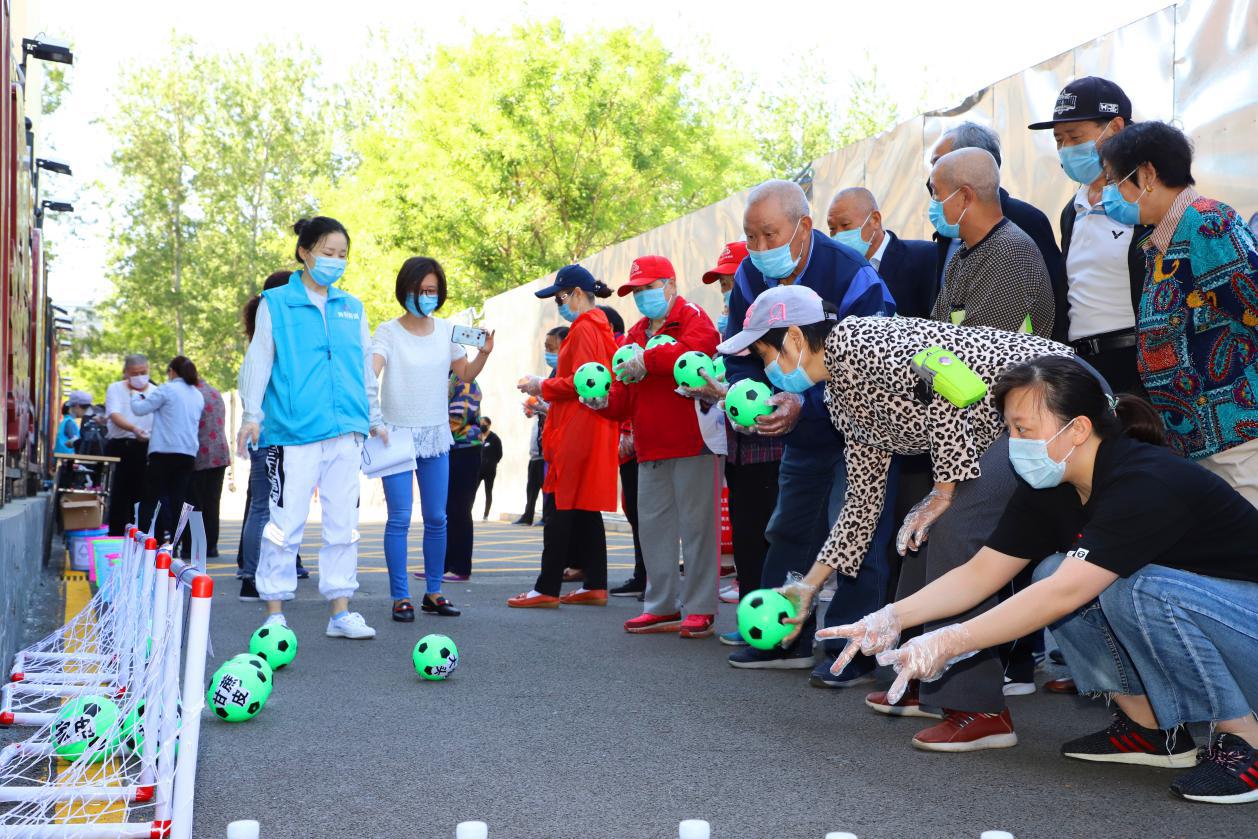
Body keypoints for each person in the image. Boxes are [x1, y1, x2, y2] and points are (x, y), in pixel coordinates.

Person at [830, 355, 1258, 803]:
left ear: (1076, 429)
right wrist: (892, 617)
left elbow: (1063, 594)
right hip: (1214, 626)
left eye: (1024, 429)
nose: (1014, 444)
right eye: (1009, 429)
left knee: (1134, 588)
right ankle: (1149, 731)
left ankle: (1243, 739)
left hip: (1243, 627)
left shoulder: (1145, 481)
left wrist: (949, 642)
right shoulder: (1052, 487)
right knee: (1053, 570)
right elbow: (980, 573)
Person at [723, 283, 1070, 749]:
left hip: (1055, 394)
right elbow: (861, 503)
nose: (766, 371)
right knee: (917, 534)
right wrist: (809, 585)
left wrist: (944, 492)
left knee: (953, 528)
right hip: (1008, 418)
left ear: (793, 338)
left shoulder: (858, 341)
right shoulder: (841, 397)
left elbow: (951, 381)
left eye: (764, 354)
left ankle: (979, 709)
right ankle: (922, 674)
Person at [695, 180, 896, 688]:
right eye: (751, 236)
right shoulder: (747, 274)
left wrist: (802, 403)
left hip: (862, 431)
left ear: (803, 228)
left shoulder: (854, 277)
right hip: (801, 439)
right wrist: (751, 399)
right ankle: (783, 635)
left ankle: (853, 648)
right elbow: (739, 355)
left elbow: (872, 372)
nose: (760, 248)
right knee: (788, 529)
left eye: (770, 234)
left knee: (858, 537)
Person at [236, 216, 383, 640]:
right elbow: (259, 361)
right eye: (328, 253)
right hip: (294, 433)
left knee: (343, 524)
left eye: (342, 255)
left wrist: (373, 418)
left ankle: (341, 611)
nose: (336, 262)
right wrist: (251, 414)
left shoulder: (351, 307)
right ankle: (275, 613)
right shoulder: (276, 303)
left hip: (345, 431)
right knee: (285, 524)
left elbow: (364, 365)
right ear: (305, 252)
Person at [1099, 121, 1258, 506]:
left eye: (1115, 179)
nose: (1109, 192)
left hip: (1236, 432)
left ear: (1148, 174)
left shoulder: (1207, 224)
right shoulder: (1158, 244)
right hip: (1197, 438)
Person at [585, 255, 724, 638]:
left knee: (698, 530)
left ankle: (699, 608)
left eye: (649, 287)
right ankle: (661, 606)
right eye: (637, 290)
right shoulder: (635, 333)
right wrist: (599, 402)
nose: (644, 296)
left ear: (670, 284)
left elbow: (699, 352)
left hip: (694, 441)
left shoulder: (693, 316)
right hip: (650, 447)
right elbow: (621, 396)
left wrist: (647, 359)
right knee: (653, 531)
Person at [372, 256, 493, 615]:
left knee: (437, 517)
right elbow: (371, 370)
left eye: (432, 291)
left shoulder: (447, 331)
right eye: (420, 290)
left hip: (436, 436)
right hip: (395, 436)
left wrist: (484, 353)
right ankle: (400, 596)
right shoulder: (387, 331)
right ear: (404, 290)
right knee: (399, 518)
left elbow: (466, 373)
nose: (426, 297)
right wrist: (372, 417)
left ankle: (434, 592)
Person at [1028, 76, 1149, 396]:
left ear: (1116, 128)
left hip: (1139, 363)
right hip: (1085, 366)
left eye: (1075, 136)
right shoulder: (1073, 210)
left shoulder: (1146, 200)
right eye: (1058, 139)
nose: (1066, 148)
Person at [510, 264, 619, 608]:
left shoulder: (585, 328)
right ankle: (596, 584)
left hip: (576, 427)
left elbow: (582, 381)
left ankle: (546, 588)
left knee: (559, 505)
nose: (559, 304)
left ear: (575, 293)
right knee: (585, 508)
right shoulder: (599, 327)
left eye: (560, 297)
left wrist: (542, 384)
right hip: (588, 425)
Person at [700, 241, 781, 629]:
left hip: (773, 448)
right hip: (738, 450)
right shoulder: (728, 328)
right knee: (747, 537)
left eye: (733, 280)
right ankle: (753, 618)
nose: (728, 289)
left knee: (772, 537)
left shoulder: (773, 321)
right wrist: (715, 393)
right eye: (723, 283)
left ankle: (777, 622)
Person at [931, 121, 1068, 339]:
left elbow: (980, 350)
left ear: (965, 196)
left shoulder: (1009, 252)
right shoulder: (961, 255)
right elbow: (937, 331)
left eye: (937, 194)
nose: (934, 202)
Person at [237, 271, 310, 599]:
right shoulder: (268, 348)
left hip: (277, 438)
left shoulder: (265, 343)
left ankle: (262, 573)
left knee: (271, 509)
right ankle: (253, 575)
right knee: (267, 508)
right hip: (272, 438)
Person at [595, 305, 649, 597]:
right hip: (629, 447)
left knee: (644, 514)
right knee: (634, 512)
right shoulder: (616, 346)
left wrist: (628, 433)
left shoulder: (623, 346)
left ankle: (649, 577)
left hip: (637, 444)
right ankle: (642, 575)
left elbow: (630, 393)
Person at [827, 188, 938, 319]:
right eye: (832, 229)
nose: (838, 235)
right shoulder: (834, 273)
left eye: (845, 225)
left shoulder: (924, 257)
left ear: (875, 220)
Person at [131, 356, 205, 544]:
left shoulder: (167, 389)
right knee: (178, 499)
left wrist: (135, 395)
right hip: (187, 453)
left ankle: (147, 541)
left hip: (163, 452)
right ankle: (176, 543)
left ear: (172, 371)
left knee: (150, 498)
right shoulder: (197, 394)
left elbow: (139, 409)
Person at [515, 327, 566, 526]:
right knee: (538, 486)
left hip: (560, 449)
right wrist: (541, 407)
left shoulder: (568, 372)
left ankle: (547, 517)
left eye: (550, 347)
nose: (547, 352)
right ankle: (536, 515)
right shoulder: (556, 371)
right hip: (546, 447)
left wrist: (544, 399)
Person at [104, 355, 156, 535]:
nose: (140, 376)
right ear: (125, 373)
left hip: (146, 447)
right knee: (120, 494)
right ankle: (117, 534)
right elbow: (114, 414)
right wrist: (133, 429)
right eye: (135, 373)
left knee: (143, 494)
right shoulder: (116, 389)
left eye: (144, 372)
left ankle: (142, 537)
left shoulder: (156, 391)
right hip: (121, 445)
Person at [444, 374, 483, 582]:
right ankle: (444, 565)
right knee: (447, 510)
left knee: (459, 509)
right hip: (449, 449)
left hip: (465, 450)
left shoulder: (465, 380)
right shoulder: (446, 377)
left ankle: (460, 567)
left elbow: (457, 420)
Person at [187, 377, 230, 557]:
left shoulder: (193, 395)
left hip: (200, 455)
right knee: (212, 503)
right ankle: (211, 546)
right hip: (219, 453)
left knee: (194, 503)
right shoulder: (214, 391)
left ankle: (195, 547)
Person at [477, 417, 502, 521]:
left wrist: (491, 463)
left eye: (484, 424)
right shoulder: (478, 437)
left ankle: (486, 515)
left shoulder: (495, 438)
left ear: (489, 425)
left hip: (490, 470)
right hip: (478, 469)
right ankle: (467, 512)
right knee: (472, 490)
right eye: (480, 423)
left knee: (488, 491)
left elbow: (499, 454)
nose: (482, 425)